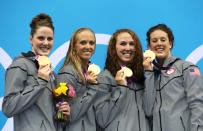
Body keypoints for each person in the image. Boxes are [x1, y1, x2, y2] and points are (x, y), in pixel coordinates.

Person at [2, 13, 70, 131]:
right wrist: (40, 82)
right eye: (40, 38)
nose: (45, 43)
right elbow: (8, 107)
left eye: (50, 39)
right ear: (31, 39)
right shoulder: (20, 65)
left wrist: (64, 114)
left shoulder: (52, 75)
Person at [143, 24, 203, 131]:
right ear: (149, 46)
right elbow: (148, 110)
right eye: (154, 41)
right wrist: (148, 71)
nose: (159, 44)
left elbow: (198, 105)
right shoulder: (151, 75)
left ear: (170, 44)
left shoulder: (186, 68)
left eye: (163, 40)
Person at [94, 29, 149, 131]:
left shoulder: (141, 80)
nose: (128, 48)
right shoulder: (104, 78)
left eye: (132, 44)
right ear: (114, 48)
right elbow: (102, 119)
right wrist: (121, 88)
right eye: (123, 44)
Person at [56, 28, 99, 131]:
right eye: (83, 43)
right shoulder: (67, 72)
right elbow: (65, 116)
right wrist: (92, 87)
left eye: (91, 43)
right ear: (74, 46)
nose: (88, 46)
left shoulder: (92, 73)